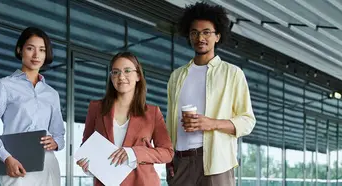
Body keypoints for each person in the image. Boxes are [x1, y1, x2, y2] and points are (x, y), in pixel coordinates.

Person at [165, 2, 256, 186]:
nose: (200, 37)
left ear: (217, 36)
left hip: (216, 164)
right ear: (189, 36)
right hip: (180, 162)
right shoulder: (176, 76)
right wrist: (168, 158)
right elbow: (169, 124)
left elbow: (247, 121)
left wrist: (211, 123)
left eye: (207, 32)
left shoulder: (232, 73)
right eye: (194, 32)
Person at [0, 27, 65, 186]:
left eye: (42, 50)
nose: (36, 55)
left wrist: (57, 142)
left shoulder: (52, 94)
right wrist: (6, 158)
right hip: (16, 165)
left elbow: (59, 133)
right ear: (20, 50)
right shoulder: (4, 86)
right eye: (30, 48)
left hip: (48, 165)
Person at [77, 52, 174, 186]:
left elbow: (167, 152)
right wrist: (88, 165)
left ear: (138, 76)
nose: (121, 77)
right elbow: (86, 146)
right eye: (115, 72)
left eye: (127, 71)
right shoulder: (96, 108)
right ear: (111, 77)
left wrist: (134, 152)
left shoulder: (152, 113)